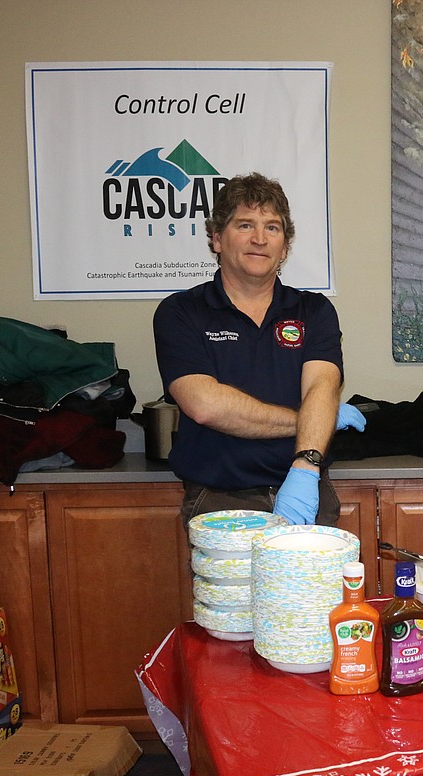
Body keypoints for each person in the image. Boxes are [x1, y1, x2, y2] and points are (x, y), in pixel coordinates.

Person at [153, 172, 364, 526]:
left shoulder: (313, 311)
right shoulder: (181, 312)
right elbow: (206, 406)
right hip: (221, 498)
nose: (259, 239)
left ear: (285, 245)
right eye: (245, 225)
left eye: (272, 228)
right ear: (217, 238)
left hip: (306, 484)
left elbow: (321, 387)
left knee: (313, 585)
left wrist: (306, 465)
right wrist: (314, 422)